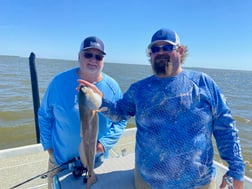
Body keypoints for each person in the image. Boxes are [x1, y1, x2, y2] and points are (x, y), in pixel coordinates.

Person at [79, 28, 245, 189]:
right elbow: (119, 113)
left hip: (198, 183)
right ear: (150, 55)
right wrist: (100, 101)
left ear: (180, 51)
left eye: (167, 47)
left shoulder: (203, 83)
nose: (160, 52)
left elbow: (226, 127)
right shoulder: (139, 89)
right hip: (147, 182)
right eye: (155, 49)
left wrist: (236, 169)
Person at [38, 36, 127, 188]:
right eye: (88, 54)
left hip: (96, 160)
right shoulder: (58, 82)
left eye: (98, 56)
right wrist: (49, 148)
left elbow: (121, 120)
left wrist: (104, 145)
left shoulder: (112, 87)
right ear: (79, 56)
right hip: (60, 160)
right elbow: (44, 116)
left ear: (103, 61)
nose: (93, 59)